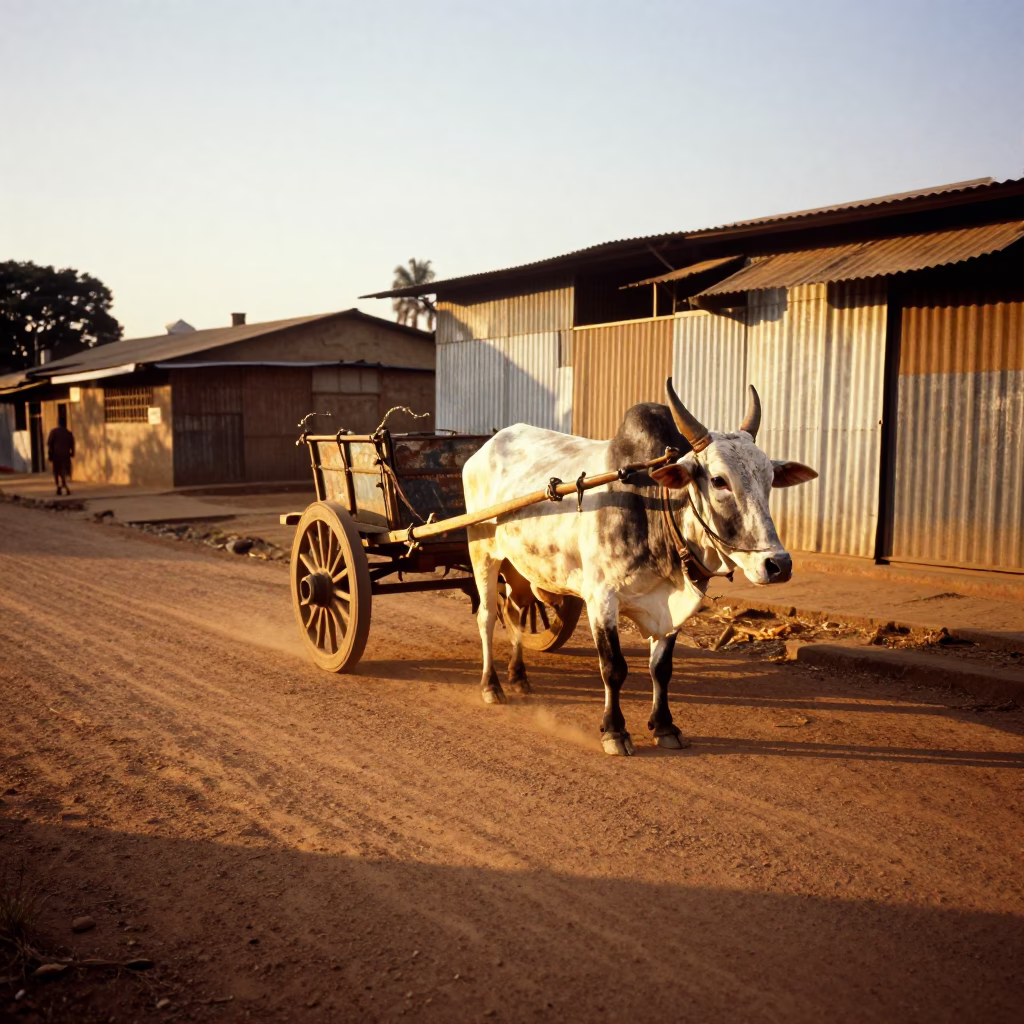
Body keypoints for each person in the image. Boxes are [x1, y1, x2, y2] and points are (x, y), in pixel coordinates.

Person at [47, 411, 75, 496]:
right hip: (66, 456)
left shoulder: (54, 432)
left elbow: (49, 443)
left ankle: (60, 486)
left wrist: (51, 452)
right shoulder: (69, 433)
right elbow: (72, 445)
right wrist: (72, 453)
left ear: (58, 423)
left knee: (57, 472)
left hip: (57, 455)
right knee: (64, 471)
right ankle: (63, 486)